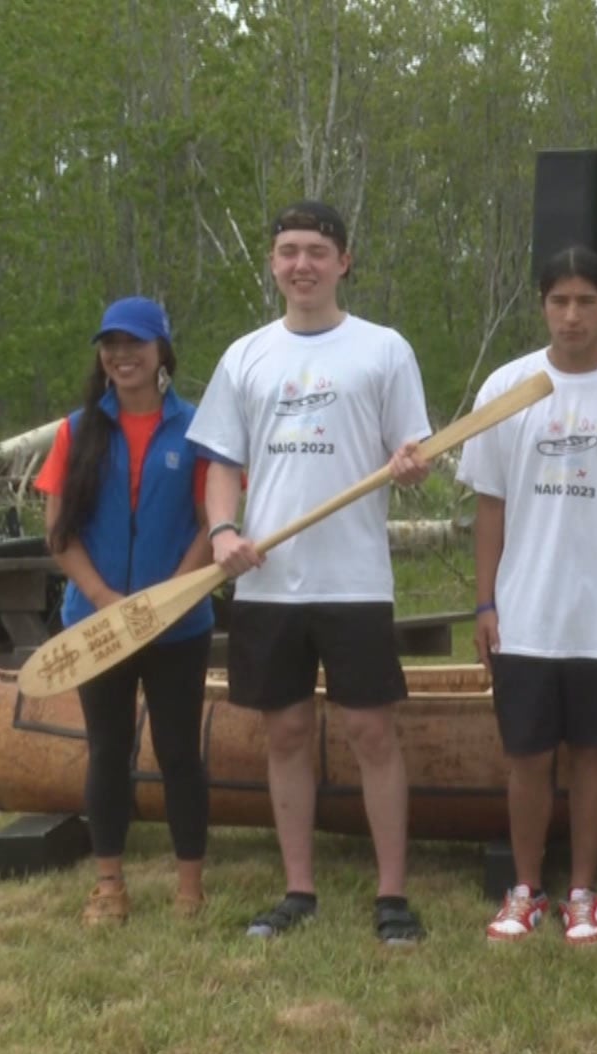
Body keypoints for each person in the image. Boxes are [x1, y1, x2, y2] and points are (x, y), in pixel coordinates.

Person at [187, 200, 433, 944]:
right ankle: (299, 890)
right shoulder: (246, 356)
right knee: (286, 732)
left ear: (344, 261)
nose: (303, 264)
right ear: (273, 263)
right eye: (289, 250)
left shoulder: (384, 349)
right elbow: (222, 465)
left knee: (371, 733)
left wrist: (412, 465)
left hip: (355, 579)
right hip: (267, 580)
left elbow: (412, 456)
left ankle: (392, 895)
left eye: (317, 251)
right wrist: (224, 529)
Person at [459, 246, 597, 945]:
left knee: (591, 754)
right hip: (525, 611)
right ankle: (525, 889)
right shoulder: (509, 385)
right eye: (560, 301)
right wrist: (486, 604)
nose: (573, 314)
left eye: (587, 300)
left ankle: (583, 891)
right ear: (543, 305)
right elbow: (490, 506)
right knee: (525, 755)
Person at [36, 296, 214, 927]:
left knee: (177, 752)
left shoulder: (197, 427)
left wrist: (171, 596)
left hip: (178, 624)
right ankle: (109, 885)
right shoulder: (76, 430)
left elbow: (210, 524)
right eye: (110, 344)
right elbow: (59, 531)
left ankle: (189, 888)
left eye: (134, 343)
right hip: (95, 625)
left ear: (161, 350)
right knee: (108, 748)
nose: (121, 355)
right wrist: (110, 603)